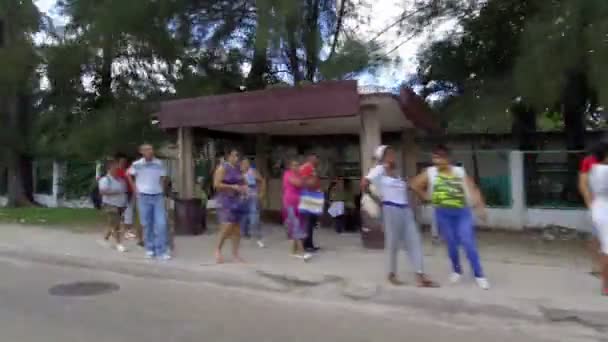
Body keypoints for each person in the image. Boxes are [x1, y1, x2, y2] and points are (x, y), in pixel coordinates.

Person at [410, 144, 490, 290]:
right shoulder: (431, 172)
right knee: (452, 244)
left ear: (447, 159)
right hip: (443, 213)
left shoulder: (459, 172)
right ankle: (457, 270)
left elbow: (472, 189)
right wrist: (426, 196)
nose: (436, 162)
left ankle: (479, 275)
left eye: (439, 159)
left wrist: (480, 207)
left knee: (468, 242)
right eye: (434, 158)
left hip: (462, 213)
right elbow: (414, 184)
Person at [361, 145, 437, 287]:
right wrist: (377, 199)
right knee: (392, 243)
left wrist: (424, 195)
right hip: (390, 209)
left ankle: (420, 275)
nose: (393, 156)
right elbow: (364, 183)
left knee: (414, 240)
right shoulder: (379, 170)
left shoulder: (398, 174)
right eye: (389, 154)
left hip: (405, 210)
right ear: (382, 157)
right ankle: (391, 274)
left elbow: (410, 187)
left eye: (393, 153)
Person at [127, 144, 170, 260]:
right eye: (147, 149)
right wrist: (135, 189)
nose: (150, 151)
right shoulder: (137, 164)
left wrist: (161, 189)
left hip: (157, 196)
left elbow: (163, 177)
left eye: (151, 149)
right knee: (147, 224)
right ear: (141, 151)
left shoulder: (159, 163)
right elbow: (128, 174)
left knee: (161, 224)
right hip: (143, 197)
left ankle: (162, 250)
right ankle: (150, 249)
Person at [213, 149, 247, 263]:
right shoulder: (222, 168)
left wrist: (244, 188)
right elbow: (216, 184)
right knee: (227, 226)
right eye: (235, 156)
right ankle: (217, 249)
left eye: (238, 156)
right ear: (229, 156)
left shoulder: (238, 168)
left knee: (237, 228)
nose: (237, 158)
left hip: (237, 199)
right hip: (225, 200)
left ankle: (235, 253)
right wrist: (232, 187)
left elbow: (243, 181)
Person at [579, 143, 605, 277]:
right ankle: (596, 266)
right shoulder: (589, 161)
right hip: (598, 204)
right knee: (596, 236)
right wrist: (590, 204)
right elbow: (583, 184)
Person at [588, 141, 608, 295]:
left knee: (604, 248)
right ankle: (605, 286)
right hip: (604, 211)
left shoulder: (594, 169)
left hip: (598, 208)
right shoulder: (605, 171)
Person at [282, 159, 311, 261]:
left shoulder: (299, 175)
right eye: (294, 165)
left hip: (299, 204)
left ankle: (293, 252)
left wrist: (305, 176)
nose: (296, 167)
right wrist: (305, 175)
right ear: (290, 166)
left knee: (299, 226)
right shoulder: (287, 174)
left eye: (297, 165)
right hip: (290, 203)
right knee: (295, 226)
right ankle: (302, 253)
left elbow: (307, 184)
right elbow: (298, 183)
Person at [98, 159, 128, 253]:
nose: (116, 169)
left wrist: (124, 203)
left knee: (113, 224)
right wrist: (115, 192)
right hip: (110, 205)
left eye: (117, 167)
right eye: (114, 167)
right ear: (109, 169)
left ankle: (105, 239)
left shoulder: (120, 180)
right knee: (116, 225)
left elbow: (124, 191)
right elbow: (102, 191)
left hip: (120, 205)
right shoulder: (105, 180)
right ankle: (119, 244)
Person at [240, 159, 267, 248]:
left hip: (253, 197)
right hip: (243, 197)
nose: (245, 165)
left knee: (254, 216)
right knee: (243, 216)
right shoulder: (238, 172)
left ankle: (257, 236)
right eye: (244, 163)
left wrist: (262, 193)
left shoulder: (253, 171)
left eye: (247, 163)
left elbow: (262, 181)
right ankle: (244, 233)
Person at [300, 154, 322, 252]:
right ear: (311, 159)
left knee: (312, 221)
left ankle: (310, 244)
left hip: (312, 196)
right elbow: (304, 181)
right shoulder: (306, 167)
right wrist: (313, 186)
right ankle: (306, 245)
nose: (318, 162)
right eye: (316, 159)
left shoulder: (312, 168)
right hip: (308, 196)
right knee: (308, 222)